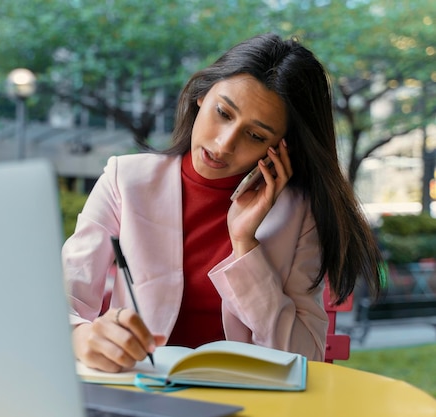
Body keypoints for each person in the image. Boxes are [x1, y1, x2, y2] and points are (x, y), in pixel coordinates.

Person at [62, 33, 383, 372]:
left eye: (255, 135)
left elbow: (306, 358)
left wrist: (246, 247)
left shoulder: (298, 215)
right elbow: (64, 300)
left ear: (280, 147)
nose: (224, 144)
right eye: (223, 113)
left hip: (245, 403)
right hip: (142, 392)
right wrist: (81, 336)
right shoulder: (124, 180)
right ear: (202, 95)